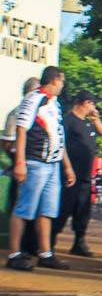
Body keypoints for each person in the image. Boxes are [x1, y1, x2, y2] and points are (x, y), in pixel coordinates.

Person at [6, 66, 75, 271]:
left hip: (52, 164)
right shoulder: (34, 98)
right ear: (55, 80)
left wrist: (67, 167)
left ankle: (45, 252)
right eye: (61, 81)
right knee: (23, 208)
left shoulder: (55, 104)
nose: (62, 85)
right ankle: (14, 253)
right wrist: (20, 162)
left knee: (47, 210)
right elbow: (21, 129)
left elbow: (58, 138)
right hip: (35, 161)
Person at [52, 90, 102, 256]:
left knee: (83, 212)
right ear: (85, 103)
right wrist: (66, 169)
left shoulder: (87, 123)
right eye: (92, 103)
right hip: (69, 176)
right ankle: (49, 243)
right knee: (63, 210)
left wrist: (96, 120)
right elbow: (60, 145)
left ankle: (79, 243)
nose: (94, 107)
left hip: (85, 177)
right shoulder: (67, 121)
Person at [3, 76, 40, 254]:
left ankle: (31, 249)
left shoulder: (44, 111)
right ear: (29, 92)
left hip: (37, 167)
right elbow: (8, 143)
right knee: (20, 208)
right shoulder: (17, 113)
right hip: (23, 169)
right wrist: (19, 161)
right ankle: (17, 251)